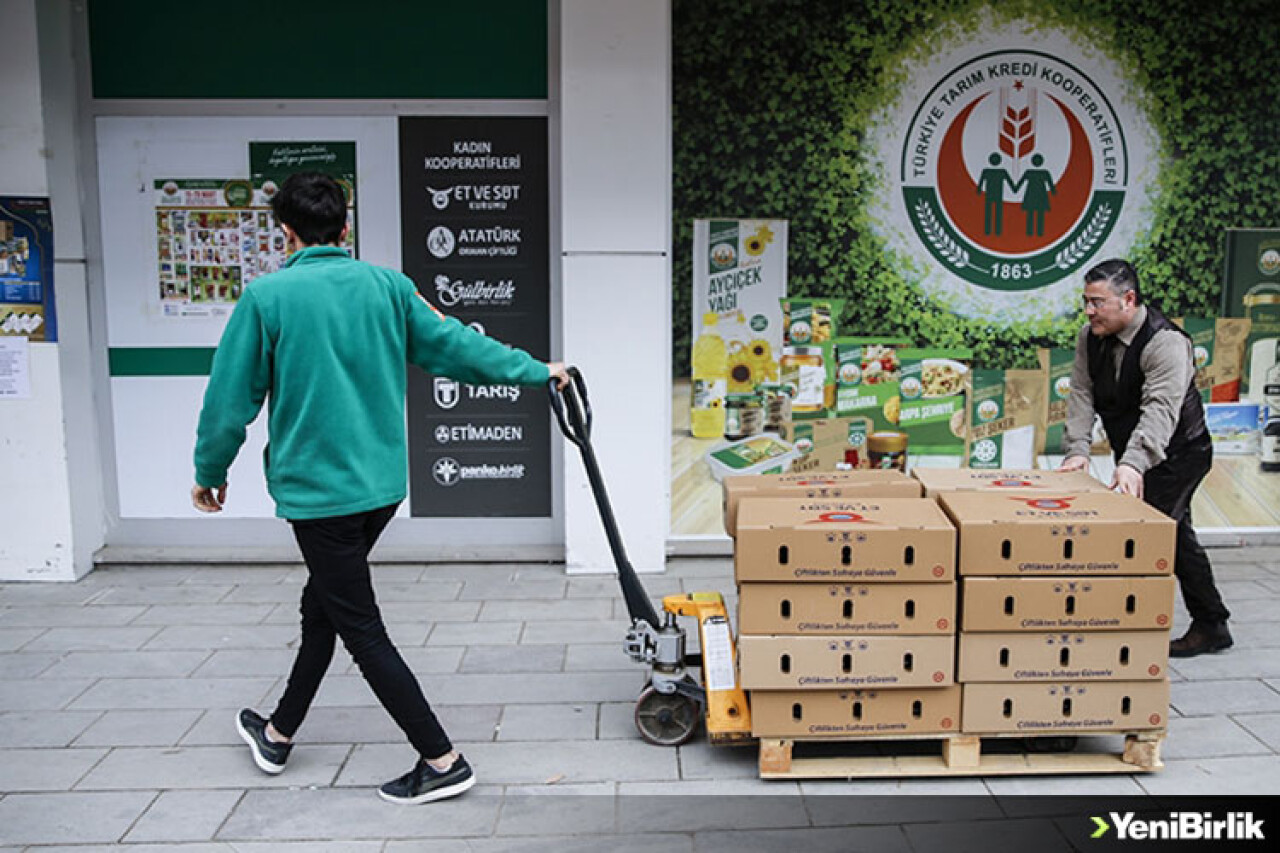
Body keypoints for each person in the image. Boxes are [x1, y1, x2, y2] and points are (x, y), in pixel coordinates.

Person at [191, 172, 569, 804]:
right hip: (381, 487)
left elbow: (231, 400)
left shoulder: (267, 297)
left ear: (285, 233)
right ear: (345, 229)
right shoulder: (388, 287)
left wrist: (210, 472)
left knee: (360, 627)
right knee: (324, 608)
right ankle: (279, 733)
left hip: (319, 496)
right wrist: (537, 371)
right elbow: (455, 348)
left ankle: (441, 758)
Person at [1059, 258, 1231, 658]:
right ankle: (1212, 623)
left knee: (1141, 536)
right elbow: (1081, 394)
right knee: (1174, 536)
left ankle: (1117, 633)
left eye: (1097, 302)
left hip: (1180, 452)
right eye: (1086, 301)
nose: (1089, 311)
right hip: (1134, 451)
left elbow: (1160, 410)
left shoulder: (1166, 342)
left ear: (1128, 299)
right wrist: (1077, 452)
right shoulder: (1090, 337)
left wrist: (1134, 462)